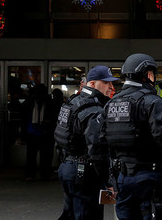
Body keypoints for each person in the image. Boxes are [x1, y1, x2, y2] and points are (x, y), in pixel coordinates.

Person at [101, 53, 162, 220]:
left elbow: (102, 140)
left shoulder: (111, 103)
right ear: (147, 74)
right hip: (149, 177)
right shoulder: (152, 101)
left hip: (123, 178)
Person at [54, 65, 119, 220]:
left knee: (70, 214)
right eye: (106, 82)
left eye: (111, 82)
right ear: (92, 84)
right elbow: (97, 150)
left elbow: (60, 137)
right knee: (87, 214)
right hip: (84, 172)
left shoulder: (72, 102)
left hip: (68, 167)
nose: (111, 86)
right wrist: (109, 181)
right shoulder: (93, 109)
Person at [23, 84, 54, 181]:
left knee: (34, 155)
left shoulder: (29, 103)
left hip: (40, 132)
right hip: (38, 133)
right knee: (42, 155)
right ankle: (42, 174)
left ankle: (33, 174)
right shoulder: (49, 103)